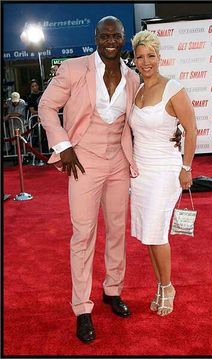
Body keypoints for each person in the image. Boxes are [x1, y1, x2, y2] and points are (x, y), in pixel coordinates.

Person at [38, 17, 180, 343]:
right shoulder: (74, 69)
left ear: (123, 38)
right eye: (105, 35)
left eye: (116, 35)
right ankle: (82, 307)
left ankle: (112, 290)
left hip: (118, 162)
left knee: (117, 231)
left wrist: (175, 133)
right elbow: (46, 106)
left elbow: (150, 112)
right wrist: (63, 145)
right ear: (96, 37)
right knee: (83, 234)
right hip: (83, 161)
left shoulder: (133, 78)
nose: (111, 40)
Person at [129, 30, 197, 317]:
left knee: (157, 233)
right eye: (140, 56)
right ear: (134, 59)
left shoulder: (173, 88)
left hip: (165, 170)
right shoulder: (136, 89)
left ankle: (168, 286)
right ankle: (159, 285)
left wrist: (186, 167)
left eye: (151, 56)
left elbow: (191, 129)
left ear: (159, 57)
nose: (146, 62)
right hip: (140, 172)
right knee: (148, 233)